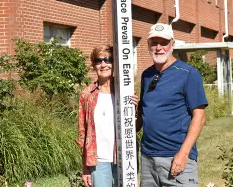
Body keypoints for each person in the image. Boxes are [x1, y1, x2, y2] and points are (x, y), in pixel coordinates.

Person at [136, 23, 208, 187]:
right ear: (148, 45)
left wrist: (183, 154)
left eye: (164, 43)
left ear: (172, 44)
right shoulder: (147, 75)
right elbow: (143, 113)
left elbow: (199, 117)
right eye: (154, 43)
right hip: (148, 158)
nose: (158, 48)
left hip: (175, 156)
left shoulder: (188, 74)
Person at [76, 45, 138, 187]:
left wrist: (136, 108)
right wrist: (85, 168)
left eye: (108, 59)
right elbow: (83, 134)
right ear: (94, 65)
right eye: (99, 61)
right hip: (98, 160)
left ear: (114, 63)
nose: (103, 64)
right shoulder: (86, 95)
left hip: (123, 156)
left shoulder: (125, 91)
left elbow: (135, 126)